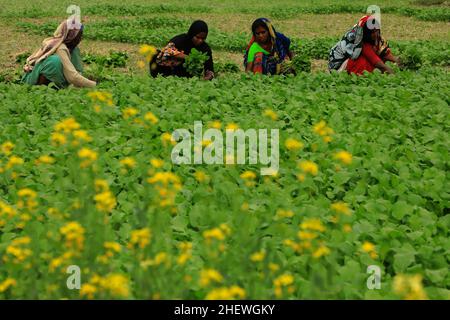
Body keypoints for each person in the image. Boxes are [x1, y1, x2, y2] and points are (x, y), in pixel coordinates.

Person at [22, 18, 96, 88]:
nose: (81, 38)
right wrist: (94, 85)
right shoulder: (60, 47)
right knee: (54, 61)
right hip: (32, 80)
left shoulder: (72, 48)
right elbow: (72, 77)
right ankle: (42, 87)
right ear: (71, 36)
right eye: (79, 36)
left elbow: (77, 71)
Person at [328, 15, 401, 75]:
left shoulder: (375, 37)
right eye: (372, 32)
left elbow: (384, 52)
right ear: (366, 33)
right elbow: (374, 60)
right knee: (363, 61)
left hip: (348, 63)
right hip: (339, 68)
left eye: (376, 31)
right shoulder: (359, 39)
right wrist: (390, 71)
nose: (375, 34)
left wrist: (396, 60)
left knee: (380, 57)